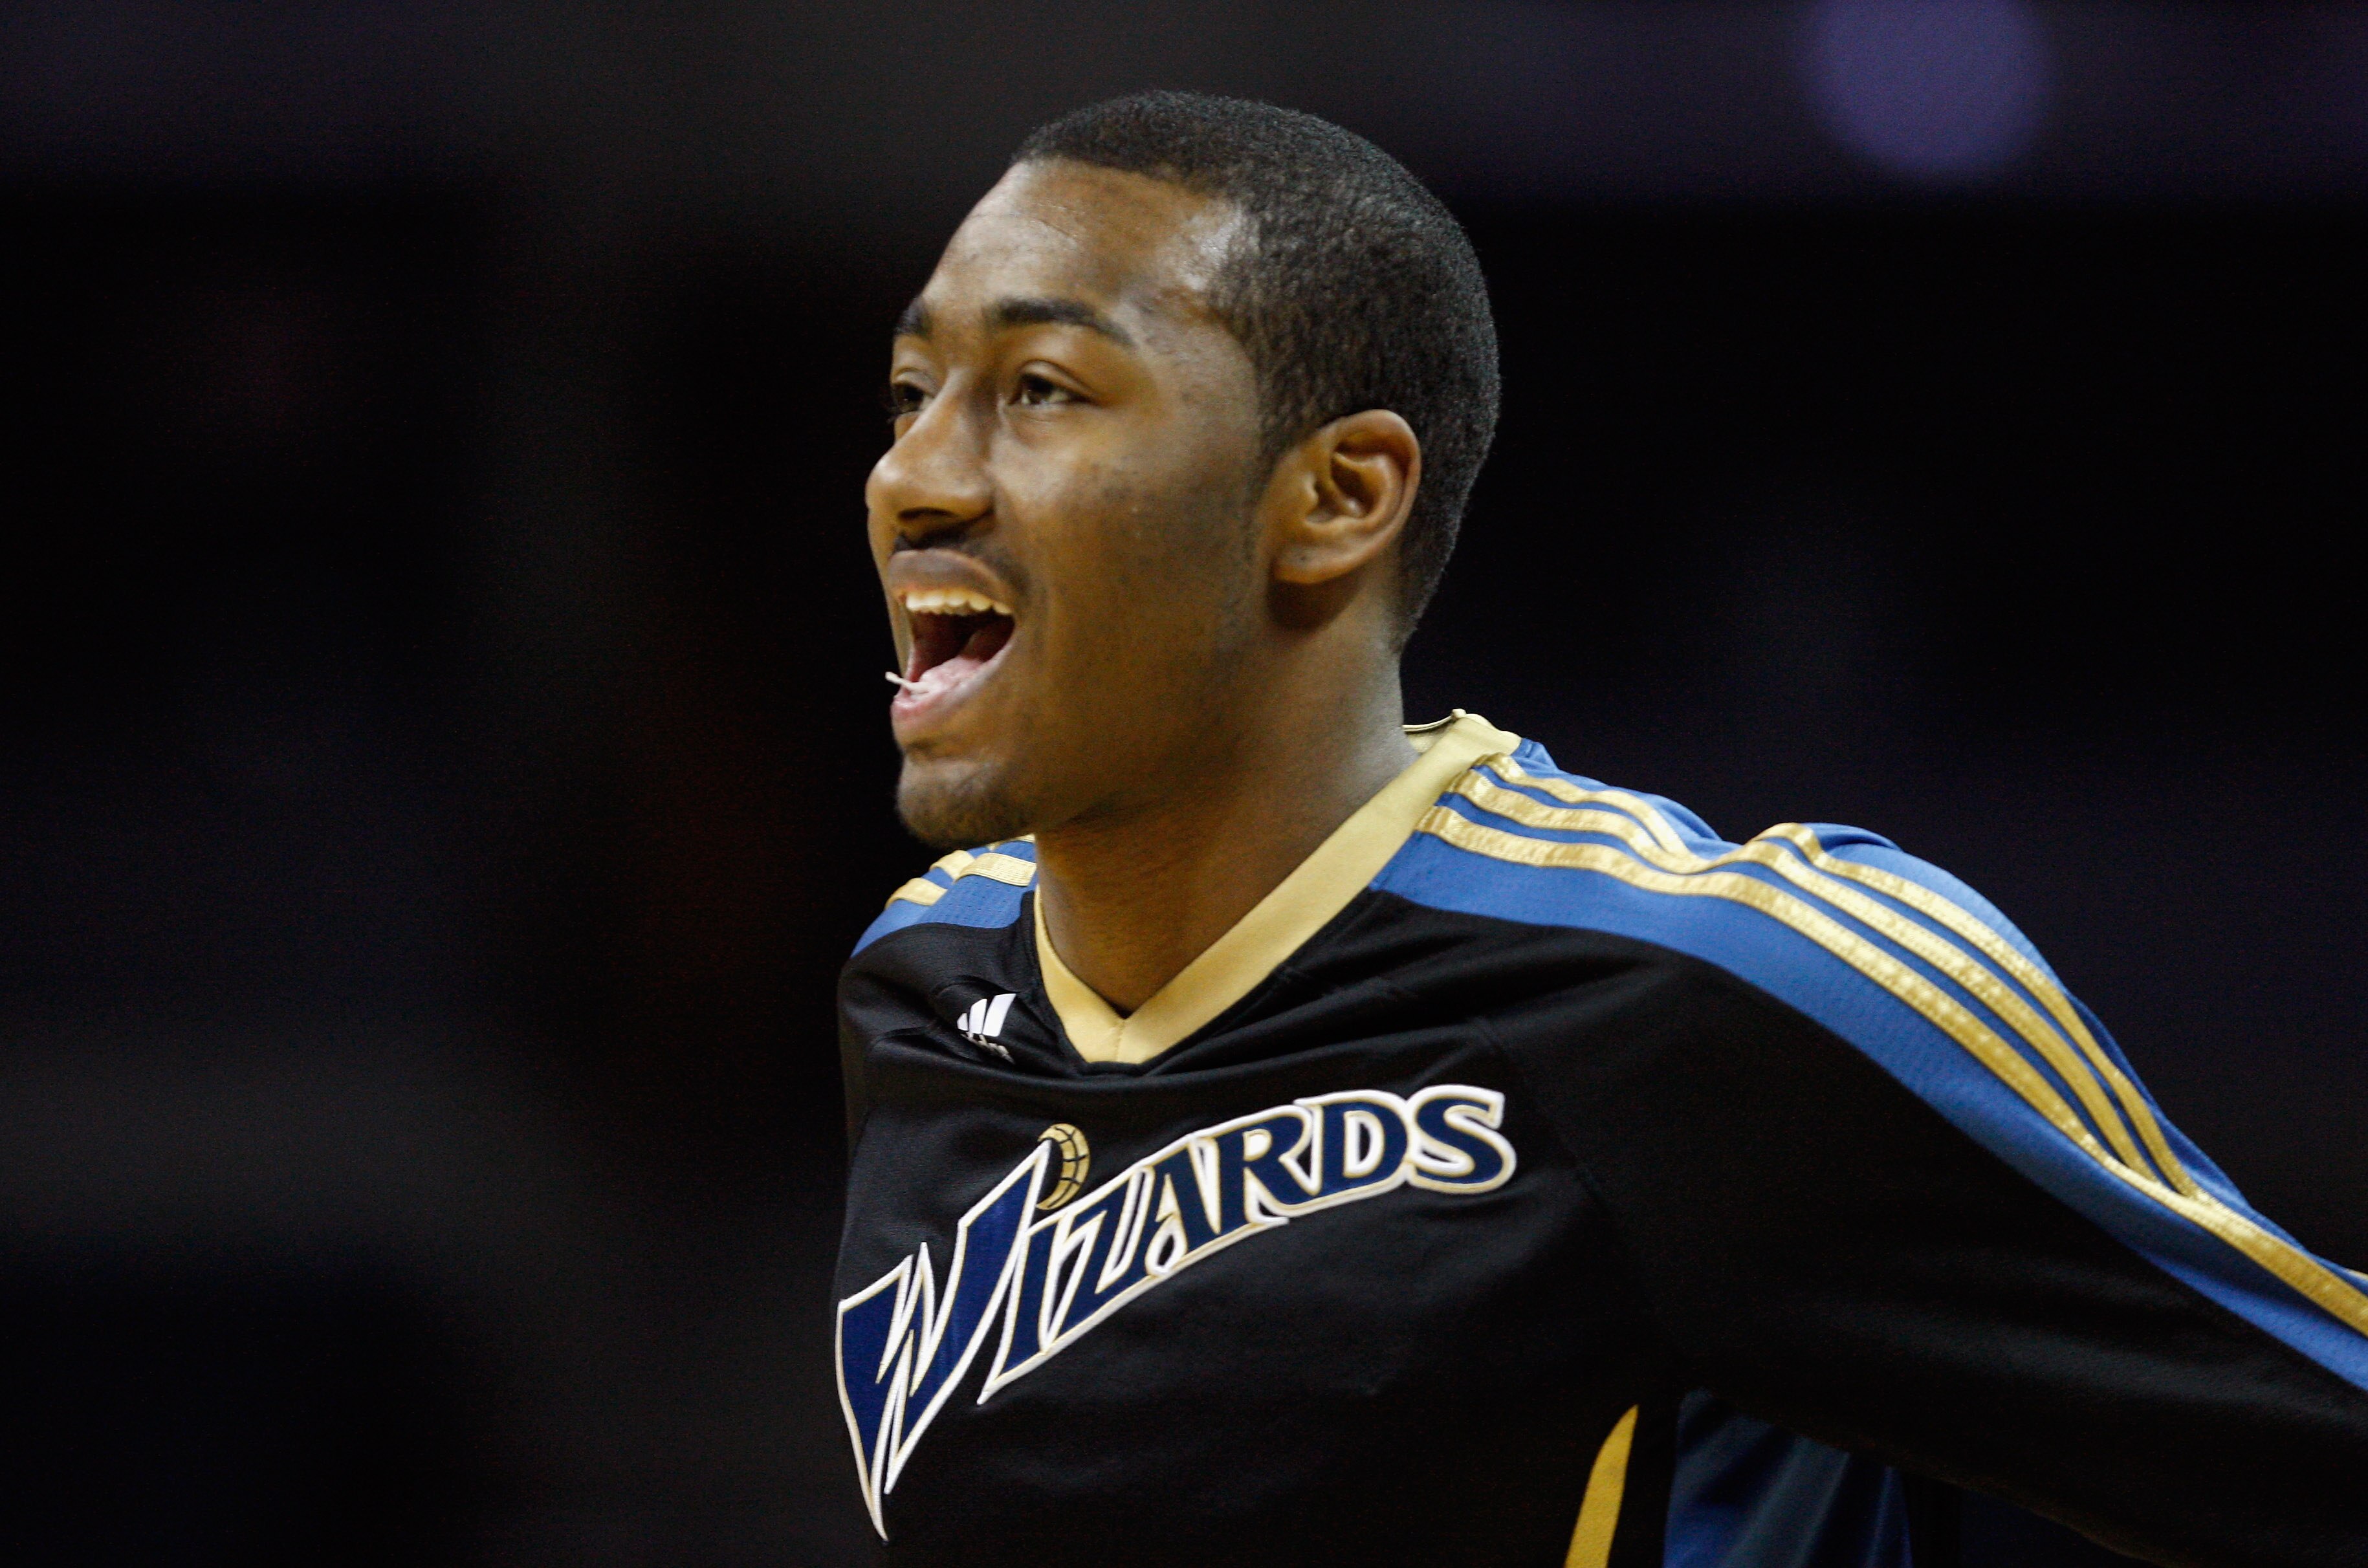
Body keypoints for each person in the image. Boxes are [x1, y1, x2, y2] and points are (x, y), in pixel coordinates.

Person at [831, 91, 2368, 1567]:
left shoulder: (1726, 987)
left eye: (1041, 389)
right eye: (911, 395)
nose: (913, 477)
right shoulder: (926, 974)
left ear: (1338, 497)